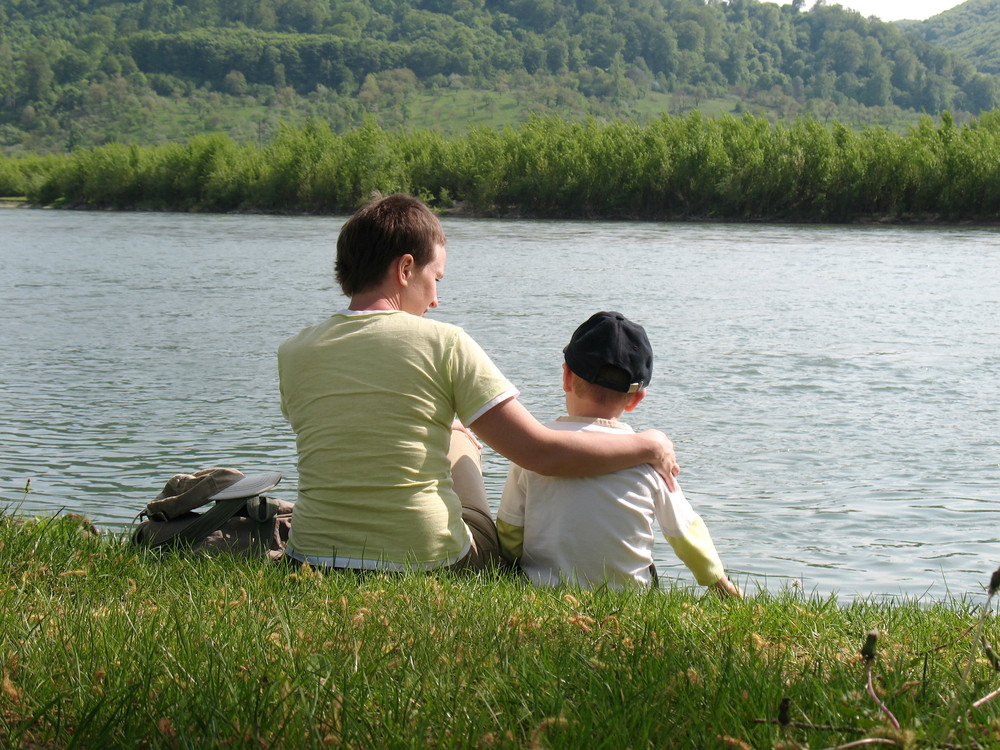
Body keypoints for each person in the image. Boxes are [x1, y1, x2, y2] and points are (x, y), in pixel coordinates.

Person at [277, 193, 678, 573]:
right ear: (404, 269)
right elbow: (540, 454)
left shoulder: (293, 351)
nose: (435, 300)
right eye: (436, 278)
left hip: (311, 558)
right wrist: (649, 445)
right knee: (460, 435)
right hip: (431, 563)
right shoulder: (445, 343)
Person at [496, 311, 742, 596]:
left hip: (542, 591)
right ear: (636, 399)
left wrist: (509, 563)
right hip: (627, 597)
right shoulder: (653, 461)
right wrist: (718, 581)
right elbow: (685, 532)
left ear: (566, 376)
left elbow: (510, 530)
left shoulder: (535, 450)